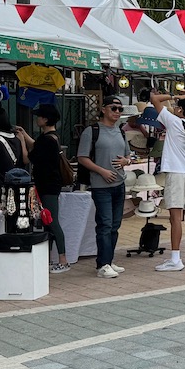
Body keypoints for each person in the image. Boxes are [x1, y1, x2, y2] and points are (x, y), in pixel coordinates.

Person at [150, 90, 185, 272]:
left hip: (176, 172)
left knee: (175, 217)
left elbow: (154, 99)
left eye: (176, 107)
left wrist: (175, 96)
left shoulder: (173, 122)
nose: (173, 108)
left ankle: (175, 259)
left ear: (180, 110)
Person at [78, 95, 132, 279]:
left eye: (120, 109)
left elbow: (128, 155)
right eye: (113, 108)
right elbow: (82, 157)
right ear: (103, 109)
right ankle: (102, 264)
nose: (117, 112)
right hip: (101, 185)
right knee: (105, 224)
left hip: (119, 183)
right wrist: (102, 171)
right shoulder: (91, 131)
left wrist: (126, 161)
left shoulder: (121, 131)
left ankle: (108, 260)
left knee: (115, 225)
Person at [28, 104, 71, 274]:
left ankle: (62, 259)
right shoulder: (51, 137)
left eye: (39, 116)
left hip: (48, 186)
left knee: (52, 222)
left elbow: (28, 156)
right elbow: (36, 146)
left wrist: (22, 144)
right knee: (48, 222)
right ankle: (49, 259)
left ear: (45, 119)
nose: (37, 118)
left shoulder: (46, 140)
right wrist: (24, 135)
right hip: (51, 185)